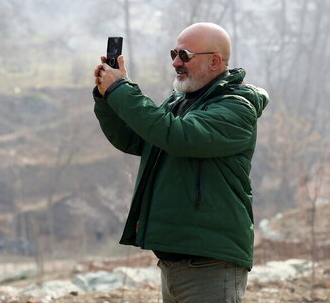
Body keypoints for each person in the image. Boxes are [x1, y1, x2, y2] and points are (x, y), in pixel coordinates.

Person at [93, 22, 268, 303]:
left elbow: (177, 135)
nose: (176, 62)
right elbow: (135, 138)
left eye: (184, 55)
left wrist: (121, 90)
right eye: (174, 53)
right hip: (174, 263)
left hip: (210, 264)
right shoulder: (180, 102)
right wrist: (107, 97)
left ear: (215, 61)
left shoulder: (236, 107)